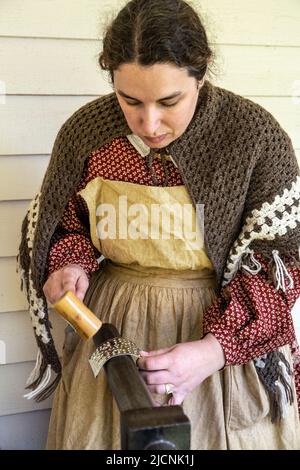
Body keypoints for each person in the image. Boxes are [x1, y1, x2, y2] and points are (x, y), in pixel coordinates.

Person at [18, 0, 300, 450]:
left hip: (217, 346)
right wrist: (71, 265)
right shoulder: (88, 134)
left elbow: (281, 260)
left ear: (201, 73)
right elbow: (65, 226)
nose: (149, 124)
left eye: (170, 101)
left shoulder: (253, 139)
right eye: (130, 100)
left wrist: (213, 350)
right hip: (109, 337)